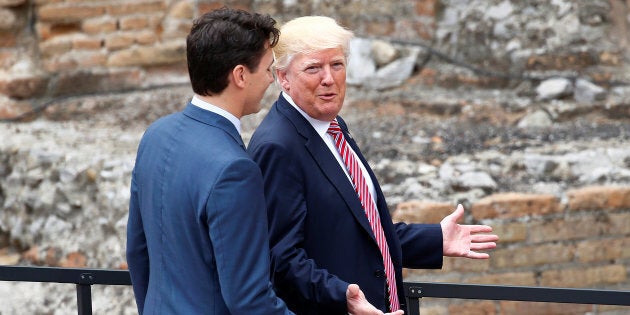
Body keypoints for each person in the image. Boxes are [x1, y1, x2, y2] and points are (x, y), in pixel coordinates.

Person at [126, 8, 400, 315]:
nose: (271, 80)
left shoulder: (156, 135)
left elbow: (138, 253)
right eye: (268, 69)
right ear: (241, 75)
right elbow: (249, 299)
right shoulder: (234, 169)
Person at [247, 16, 499, 314]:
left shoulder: (332, 125)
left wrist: (434, 239)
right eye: (313, 68)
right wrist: (343, 296)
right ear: (283, 77)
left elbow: (359, 230)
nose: (328, 78)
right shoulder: (278, 146)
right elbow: (280, 260)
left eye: (337, 65)